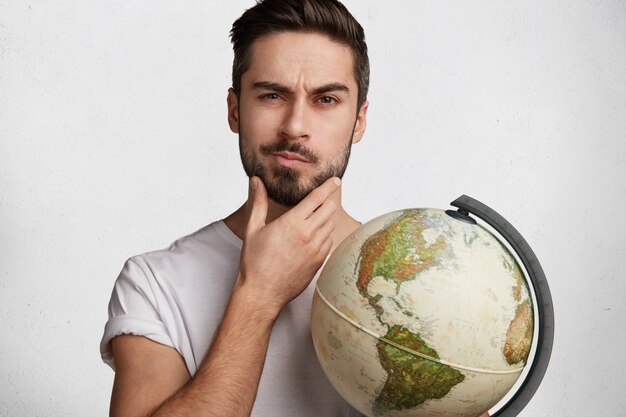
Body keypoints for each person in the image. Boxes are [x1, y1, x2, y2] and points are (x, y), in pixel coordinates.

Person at [100, 1, 490, 416]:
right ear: (235, 110)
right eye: (272, 95)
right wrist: (258, 294)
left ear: (359, 121)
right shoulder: (153, 284)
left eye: (325, 100)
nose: (294, 125)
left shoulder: (430, 282)